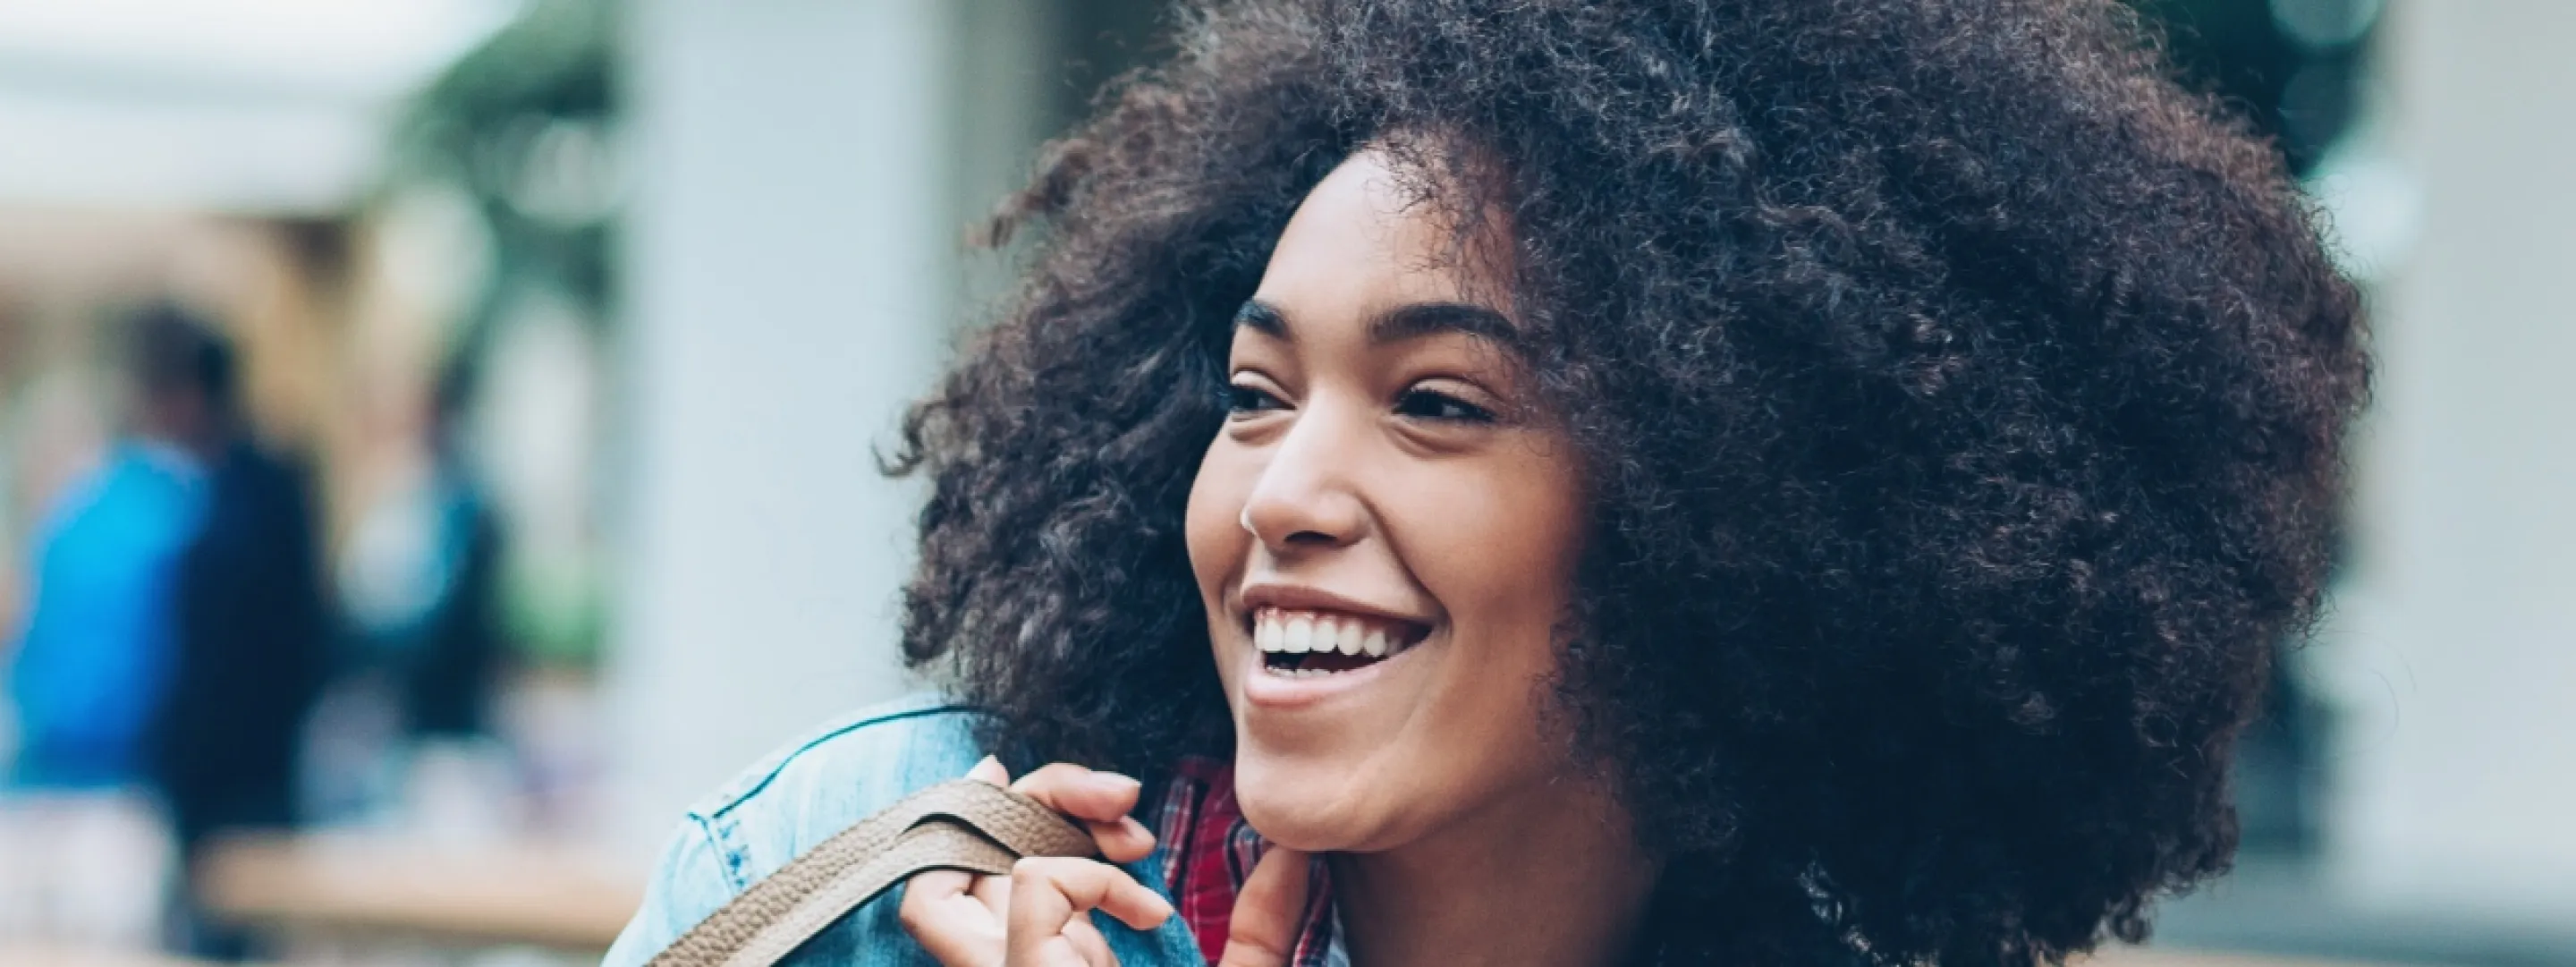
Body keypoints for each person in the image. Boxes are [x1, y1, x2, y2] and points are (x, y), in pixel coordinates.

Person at [605, 1, 2368, 964]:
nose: (1285, 488)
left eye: (1439, 402)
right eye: (1252, 391)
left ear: (1725, 515)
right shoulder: (854, 889)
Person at [140, 308, 330, 958]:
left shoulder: (237, 505)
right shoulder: (260, 489)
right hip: (251, 770)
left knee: (224, 938)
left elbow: (232, 657)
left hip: (234, 779)